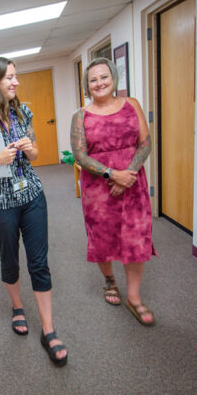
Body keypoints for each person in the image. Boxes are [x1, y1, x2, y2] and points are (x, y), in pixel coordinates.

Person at [0, 56, 67, 366]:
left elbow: (35, 152)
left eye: (15, 76)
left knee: (39, 261)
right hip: (0, 204)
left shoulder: (23, 111)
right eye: (9, 77)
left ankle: (48, 329)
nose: (15, 82)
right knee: (9, 260)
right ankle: (17, 306)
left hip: (32, 195)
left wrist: (27, 147)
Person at [70, 57, 156, 326]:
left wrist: (127, 174)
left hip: (132, 183)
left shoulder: (132, 105)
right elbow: (80, 156)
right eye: (93, 79)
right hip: (98, 189)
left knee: (136, 237)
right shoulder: (81, 116)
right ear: (87, 85)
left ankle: (134, 297)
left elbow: (145, 143)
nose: (99, 83)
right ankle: (109, 280)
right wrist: (111, 174)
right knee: (103, 238)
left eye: (104, 77)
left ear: (114, 78)